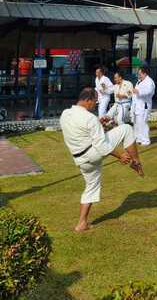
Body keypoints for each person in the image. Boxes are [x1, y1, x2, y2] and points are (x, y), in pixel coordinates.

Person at [59, 87, 144, 232]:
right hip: (93, 153)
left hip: (80, 159)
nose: (96, 105)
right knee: (126, 129)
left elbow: (82, 129)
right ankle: (136, 162)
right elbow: (101, 145)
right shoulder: (89, 118)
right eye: (95, 102)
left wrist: (98, 124)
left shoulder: (65, 114)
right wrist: (121, 155)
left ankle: (82, 223)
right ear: (88, 100)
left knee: (91, 187)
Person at [131, 67, 155, 146]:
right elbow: (136, 91)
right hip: (137, 104)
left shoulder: (149, 81)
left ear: (145, 73)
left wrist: (138, 91)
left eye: (140, 73)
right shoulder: (139, 81)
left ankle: (146, 140)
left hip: (144, 105)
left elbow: (149, 91)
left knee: (143, 122)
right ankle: (139, 138)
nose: (139, 75)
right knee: (137, 122)